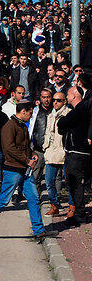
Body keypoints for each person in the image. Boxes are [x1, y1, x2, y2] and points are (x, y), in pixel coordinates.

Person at [0, 100, 58, 241]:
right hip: (13, 170)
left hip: (25, 170)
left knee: (33, 198)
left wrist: (32, 153)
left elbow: (24, 145)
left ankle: (38, 231)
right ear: (23, 111)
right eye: (30, 113)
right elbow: (9, 148)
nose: (31, 116)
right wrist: (27, 160)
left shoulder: (22, 126)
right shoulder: (9, 126)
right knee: (3, 199)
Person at [57, 85, 92, 226]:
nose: (67, 96)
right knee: (77, 185)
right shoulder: (83, 110)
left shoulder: (79, 110)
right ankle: (79, 212)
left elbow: (62, 123)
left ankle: (79, 215)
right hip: (80, 153)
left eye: (68, 94)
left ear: (74, 96)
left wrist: (65, 123)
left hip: (77, 153)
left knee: (75, 184)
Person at [42, 92, 73, 217]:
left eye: (58, 100)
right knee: (49, 181)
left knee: (70, 182)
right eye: (54, 100)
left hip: (64, 152)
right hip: (51, 152)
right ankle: (54, 205)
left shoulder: (69, 114)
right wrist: (45, 146)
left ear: (64, 101)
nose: (55, 102)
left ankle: (72, 207)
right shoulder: (51, 115)